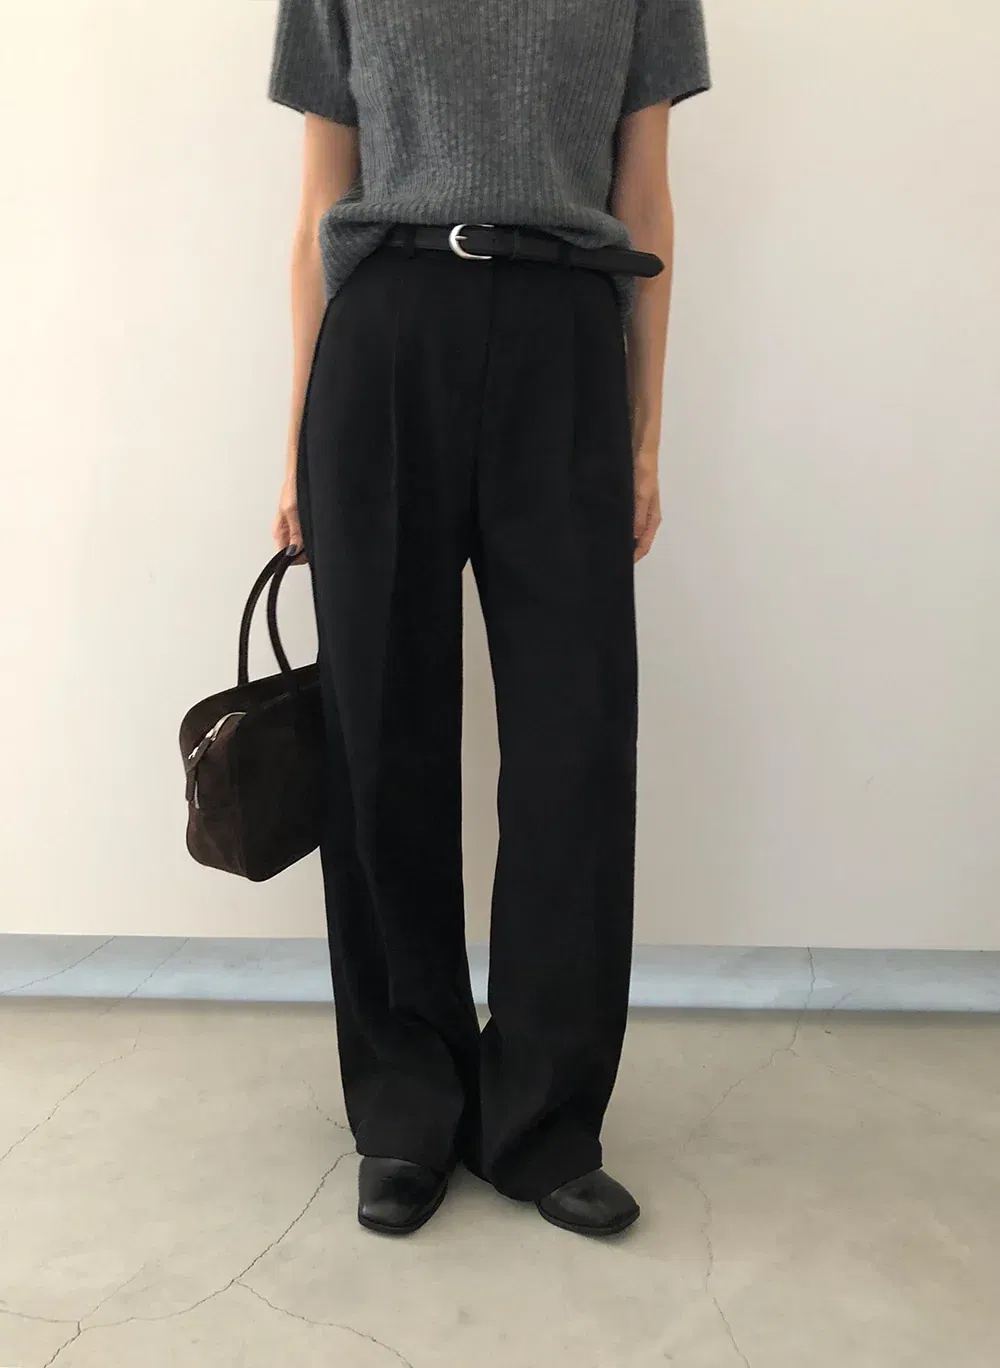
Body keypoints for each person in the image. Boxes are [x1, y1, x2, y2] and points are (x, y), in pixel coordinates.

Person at [267, 0, 710, 1238]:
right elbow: (319, 204)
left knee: (575, 746)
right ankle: (405, 1106)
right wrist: (295, 438)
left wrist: (645, 428)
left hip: (566, 334)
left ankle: (543, 1118)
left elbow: (646, 199)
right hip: (385, 335)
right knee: (382, 739)